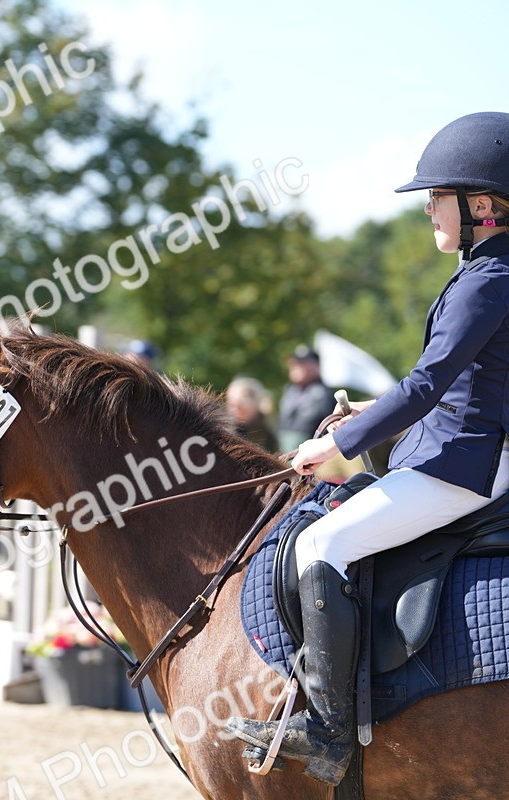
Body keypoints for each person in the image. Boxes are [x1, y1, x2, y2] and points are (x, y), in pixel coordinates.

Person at [228, 112, 509, 786]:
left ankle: (325, 729)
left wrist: (337, 445)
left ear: (479, 205)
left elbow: (424, 384)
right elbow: (460, 384)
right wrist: (364, 414)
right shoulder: (489, 270)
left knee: (324, 545)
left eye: (436, 199)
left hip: (463, 466)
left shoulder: (487, 279)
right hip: (472, 448)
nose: (430, 213)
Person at [276, 345, 337, 452]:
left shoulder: (325, 393)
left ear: (316, 365)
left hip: (314, 456)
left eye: (302, 363)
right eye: (294, 363)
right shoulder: (289, 390)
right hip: (286, 451)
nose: (296, 366)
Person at [225, 376, 278, 452]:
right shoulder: (227, 428)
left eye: (239, 406)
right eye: (230, 404)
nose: (233, 410)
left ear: (254, 404)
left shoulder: (266, 428)